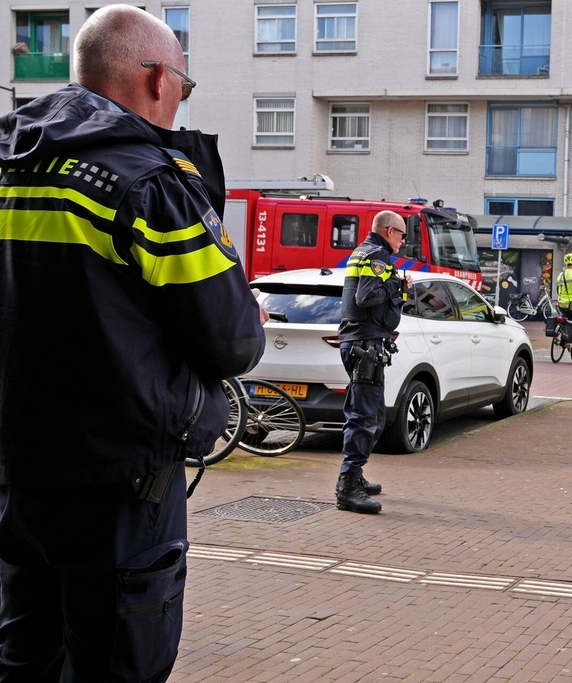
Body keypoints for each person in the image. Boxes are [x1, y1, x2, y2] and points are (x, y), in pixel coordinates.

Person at [0, 5, 267, 682]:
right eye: (185, 84)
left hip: (18, 480)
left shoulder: (10, 161)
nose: (181, 97)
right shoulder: (149, 184)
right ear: (156, 80)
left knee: (24, 659)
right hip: (119, 492)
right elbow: (235, 340)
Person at [335, 210, 413, 515]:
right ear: (389, 231)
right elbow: (368, 295)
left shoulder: (364, 252)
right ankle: (347, 485)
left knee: (375, 415)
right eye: (403, 235)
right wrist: (397, 284)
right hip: (364, 345)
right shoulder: (376, 255)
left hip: (367, 340)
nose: (404, 241)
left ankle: (356, 473)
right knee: (363, 417)